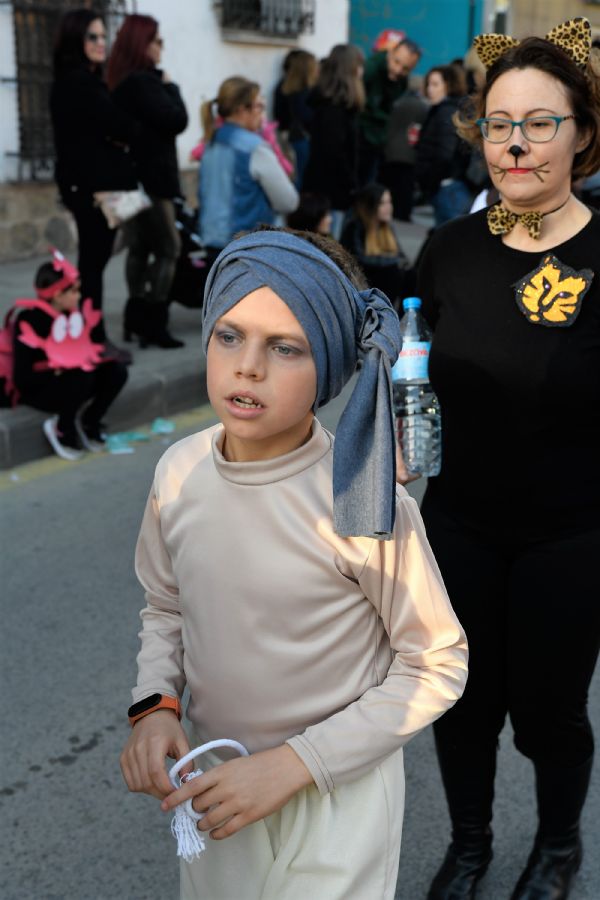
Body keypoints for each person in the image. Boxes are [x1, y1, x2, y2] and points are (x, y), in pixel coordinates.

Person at [120, 227, 468, 900]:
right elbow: (165, 605)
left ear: (333, 365)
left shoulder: (362, 500)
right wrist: (155, 706)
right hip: (217, 782)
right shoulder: (179, 471)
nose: (248, 366)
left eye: (285, 347)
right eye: (230, 335)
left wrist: (297, 764)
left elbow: (437, 662)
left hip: (338, 797)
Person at [413, 17, 600, 900]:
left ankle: (560, 847)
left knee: (550, 716)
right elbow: (409, 364)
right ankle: (471, 845)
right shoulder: (448, 250)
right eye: (497, 122)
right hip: (458, 527)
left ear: (584, 134)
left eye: (539, 122)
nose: (514, 142)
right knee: (462, 704)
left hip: (572, 536)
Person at [50, 7, 137, 364]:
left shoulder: (85, 80)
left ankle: (89, 335)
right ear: (76, 40)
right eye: (92, 37)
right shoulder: (78, 83)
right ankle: (94, 340)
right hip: (90, 192)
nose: (102, 43)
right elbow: (121, 126)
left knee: (93, 265)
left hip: (91, 188)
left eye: (103, 36)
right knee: (92, 267)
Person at [107, 14, 188, 349]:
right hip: (152, 181)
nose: (161, 47)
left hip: (129, 179)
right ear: (143, 44)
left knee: (140, 247)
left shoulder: (122, 82)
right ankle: (152, 322)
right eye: (157, 41)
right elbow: (176, 119)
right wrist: (171, 86)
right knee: (170, 247)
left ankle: (135, 317)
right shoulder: (146, 83)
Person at [12, 251, 127, 461]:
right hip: (40, 390)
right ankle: (62, 427)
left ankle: (90, 420)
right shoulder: (28, 320)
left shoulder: (73, 315)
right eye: (74, 291)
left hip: (74, 382)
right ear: (57, 294)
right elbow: (22, 378)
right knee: (81, 375)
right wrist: (56, 369)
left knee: (116, 370)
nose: (79, 296)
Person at [197, 77, 298, 266]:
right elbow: (288, 201)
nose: (262, 114)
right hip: (246, 246)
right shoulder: (254, 147)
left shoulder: (211, 142)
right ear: (242, 110)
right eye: (259, 106)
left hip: (212, 240)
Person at [303, 44, 365, 239]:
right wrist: (351, 185)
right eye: (359, 65)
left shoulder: (335, 106)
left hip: (330, 192)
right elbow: (333, 153)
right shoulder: (333, 110)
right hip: (331, 195)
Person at [415, 64, 473, 227]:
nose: (430, 89)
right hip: (443, 185)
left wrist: (432, 182)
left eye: (435, 84)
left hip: (446, 187)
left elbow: (444, 154)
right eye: (428, 84)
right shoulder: (441, 110)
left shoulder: (446, 112)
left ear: (449, 85)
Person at [358, 38, 422, 186]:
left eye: (406, 68)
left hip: (376, 143)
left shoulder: (402, 81)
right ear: (390, 53)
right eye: (396, 62)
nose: (398, 70)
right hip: (360, 140)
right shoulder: (371, 69)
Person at [341, 183, 413, 307]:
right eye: (382, 203)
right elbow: (359, 260)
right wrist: (393, 262)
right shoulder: (355, 227)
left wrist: (402, 263)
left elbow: (400, 255)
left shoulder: (386, 227)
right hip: (362, 281)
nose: (388, 207)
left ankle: (405, 317)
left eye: (389, 202)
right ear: (370, 206)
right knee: (392, 272)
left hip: (384, 279)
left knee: (411, 275)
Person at [381, 76, 428, 221]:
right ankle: (403, 213)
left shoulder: (398, 103)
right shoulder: (422, 106)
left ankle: (393, 210)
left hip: (392, 148)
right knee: (406, 186)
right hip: (409, 151)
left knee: (393, 184)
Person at [277, 49, 318, 188]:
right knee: (299, 179)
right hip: (302, 139)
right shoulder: (303, 91)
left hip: (288, 138)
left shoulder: (282, 87)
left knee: (294, 177)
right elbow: (307, 117)